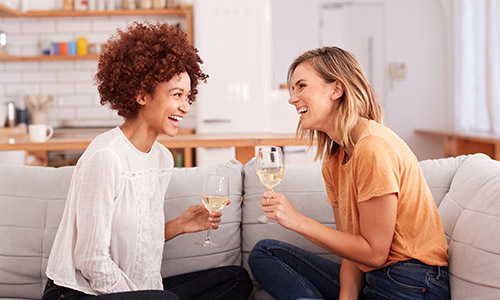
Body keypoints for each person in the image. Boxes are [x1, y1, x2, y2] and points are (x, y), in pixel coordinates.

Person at [42, 22, 252, 300]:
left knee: (235, 280)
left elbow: (139, 240)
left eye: (188, 96)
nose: (186, 107)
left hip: (139, 290)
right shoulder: (107, 157)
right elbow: (90, 260)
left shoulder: (162, 158)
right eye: (177, 95)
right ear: (141, 94)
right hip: (79, 293)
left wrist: (179, 225)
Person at [248, 46, 450, 300]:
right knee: (265, 252)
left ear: (336, 89)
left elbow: (375, 252)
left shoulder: (373, 148)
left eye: (301, 86)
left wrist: (298, 221)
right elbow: (352, 250)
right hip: (374, 277)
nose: (292, 98)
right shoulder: (334, 161)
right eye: (293, 89)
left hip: (410, 280)